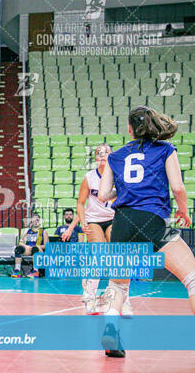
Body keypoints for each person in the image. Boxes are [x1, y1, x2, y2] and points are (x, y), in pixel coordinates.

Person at [98, 106, 194, 358]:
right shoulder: (165, 150)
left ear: (129, 129)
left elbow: (103, 195)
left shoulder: (115, 156)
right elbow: (178, 187)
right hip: (152, 218)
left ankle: (110, 330)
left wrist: (128, 190)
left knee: (117, 286)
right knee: (192, 279)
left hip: (122, 221)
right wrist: (183, 211)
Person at [63, 144, 132, 316]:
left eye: (106, 152)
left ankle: (122, 300)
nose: (102, 155)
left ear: (112, 156)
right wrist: (82, 222)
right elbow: (80, 203)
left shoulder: (119, 175)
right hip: (94, 220)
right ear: (95, 158)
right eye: (98, 153)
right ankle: (89, 297)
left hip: (113, 219)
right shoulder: (89, 177)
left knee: (119, 258)